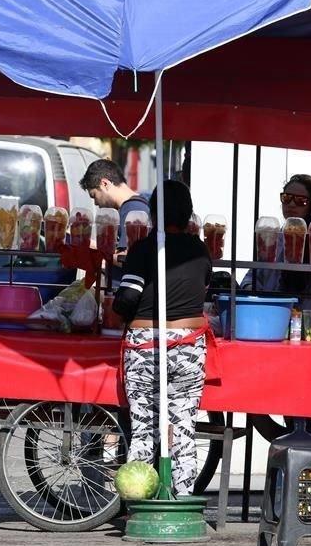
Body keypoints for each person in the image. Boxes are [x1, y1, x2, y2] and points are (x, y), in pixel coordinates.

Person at [112, 180, 212, 496]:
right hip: (189, 345)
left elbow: (127, 299)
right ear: (188, 212)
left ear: (153, 213)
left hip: (145, 346)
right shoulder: (199, 249)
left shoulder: (144, 248)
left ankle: (138, 504)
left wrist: (120, 298)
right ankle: (182, 500)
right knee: (183, 430)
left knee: (142, 431)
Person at [241, 173, 311, 337]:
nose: (291, 204)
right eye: (286, 198)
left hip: (306, 332)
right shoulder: (274, 236)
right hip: (269, 326)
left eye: (300, 201)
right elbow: (252, 275)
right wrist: (253, 294)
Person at [79, 159, 149, 250]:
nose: (96, 203)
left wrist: (88, 244)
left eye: (94, 196)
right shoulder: (132, 207)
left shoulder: (133, 210)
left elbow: (127, 257)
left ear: (105, 184)